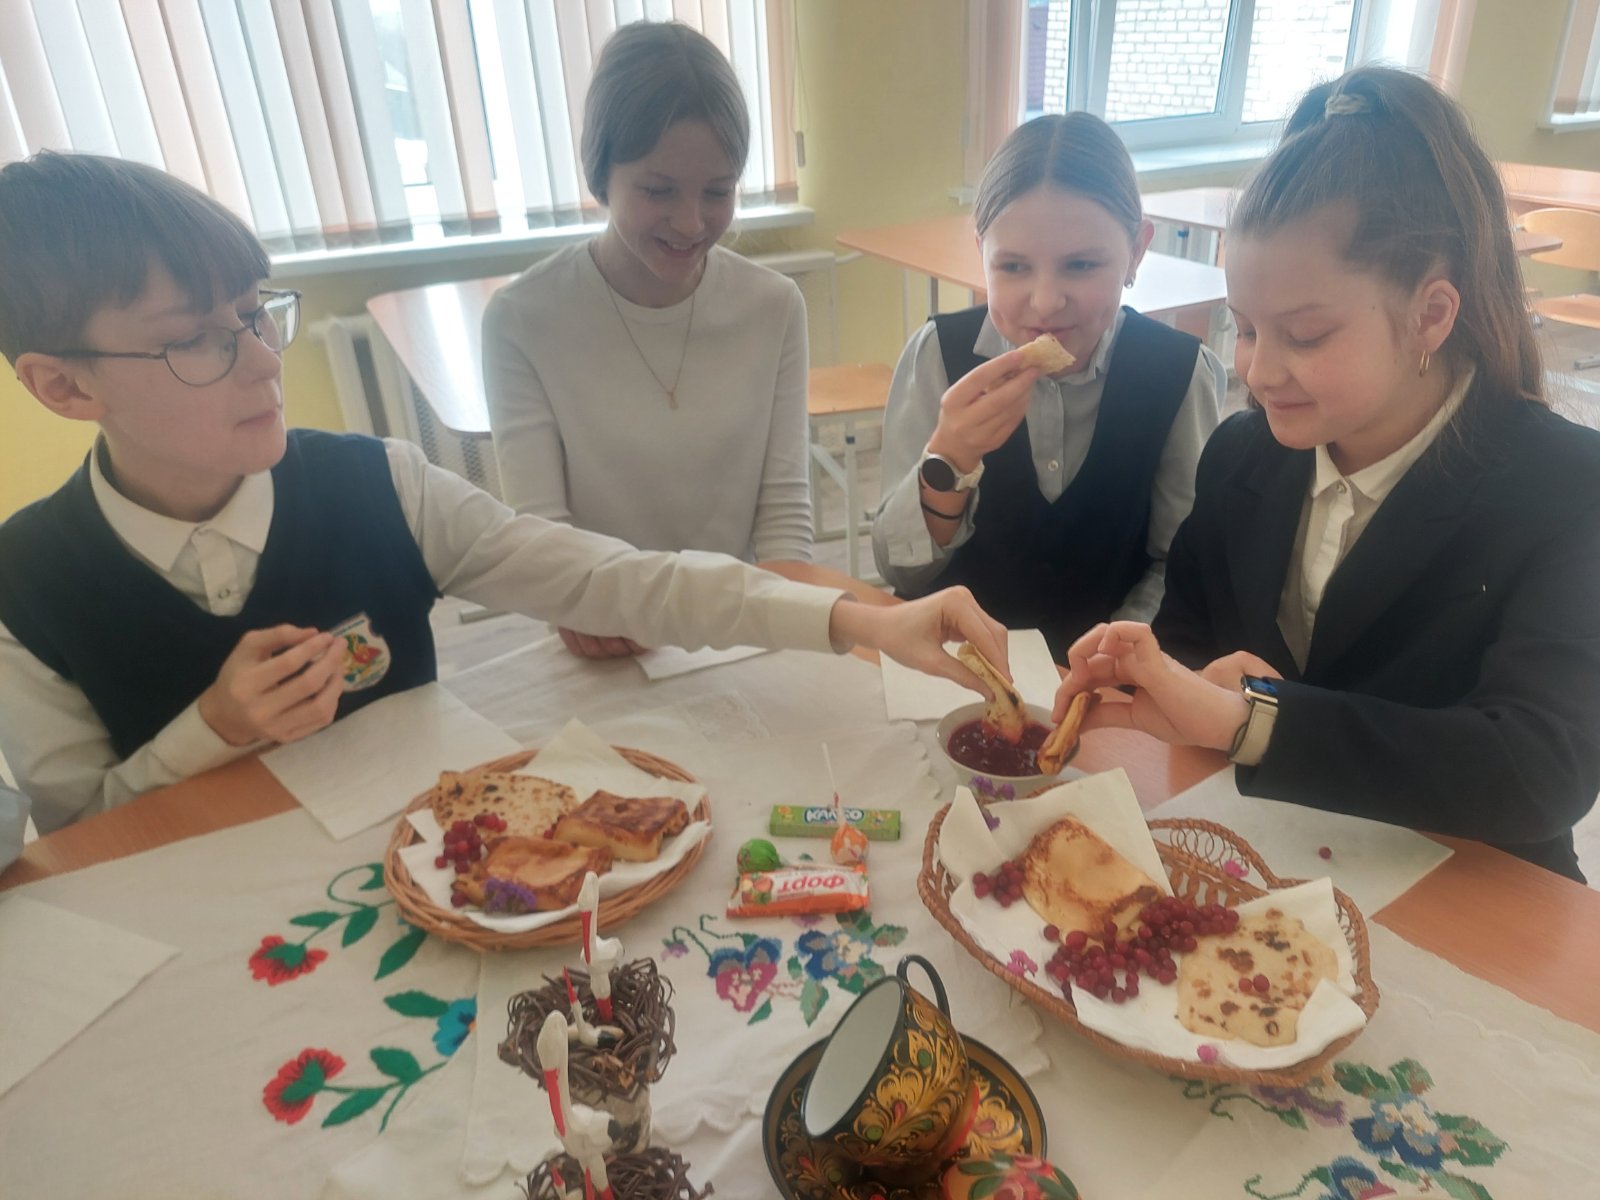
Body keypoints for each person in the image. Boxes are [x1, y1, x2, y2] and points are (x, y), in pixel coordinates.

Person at [0, 152, 1009, 839]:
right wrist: (211, 732)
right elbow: (76, 834)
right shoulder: (26, 588)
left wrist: (860, 621)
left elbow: (622, 580)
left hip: (437, 875)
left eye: (255, 313)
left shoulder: (381, 484)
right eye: (196, 340)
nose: (264, 362)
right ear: (63, 387)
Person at [1053, 67, 1600, 881]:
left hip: (1471, 889)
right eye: (1244, 328)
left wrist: (1255, 722)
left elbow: (1541, 768)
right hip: (1274, 861)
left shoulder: (1565, 485)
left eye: (1305, 336)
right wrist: (1173, 678)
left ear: (1431, 315)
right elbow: (1192, 632)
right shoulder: (1243, 454)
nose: (1259, 370)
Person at [483, 21, 812, 660]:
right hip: (603, 634)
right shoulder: (523, 319)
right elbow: (543, 535)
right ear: (600, 173)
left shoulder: (773, 307)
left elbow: (783, 516)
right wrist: (582, 610)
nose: (691, 223)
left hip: (738, 629)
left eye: (718, 192)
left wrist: (786, 633)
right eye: (658, 190)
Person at [871, 112, 1225, 657]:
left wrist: (1113, 655)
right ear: (981, 252)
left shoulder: (1178, 374)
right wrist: (949, 459)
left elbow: (1180, 564)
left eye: (1080, 265)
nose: (1044, 303)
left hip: (1106, 679)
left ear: (1136, 250)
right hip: (954, 669)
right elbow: (901, 572)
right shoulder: (938, 357)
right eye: (1013, 267)